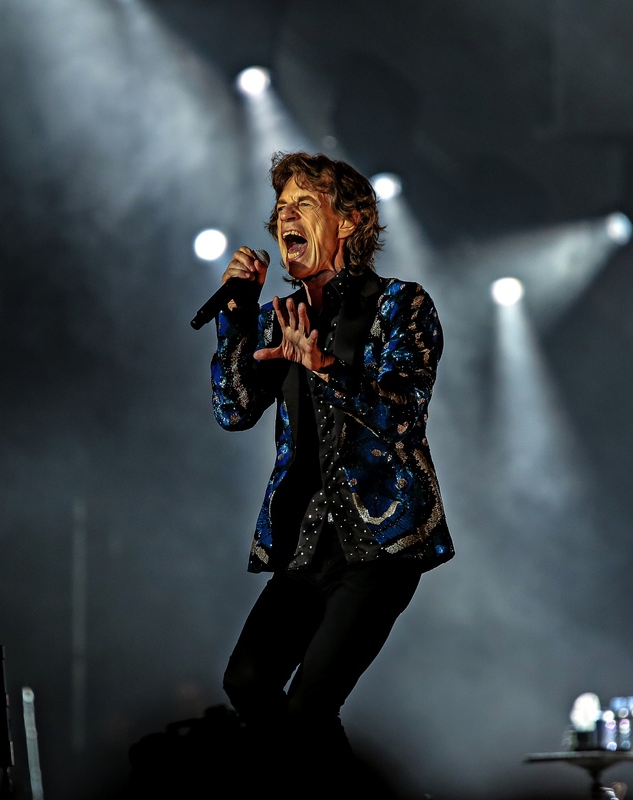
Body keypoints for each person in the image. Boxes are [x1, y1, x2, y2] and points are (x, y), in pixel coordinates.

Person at [209, 151, 454, 795]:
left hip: (379, 546)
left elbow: (402, 414)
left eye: (303, 205)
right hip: (304, 544)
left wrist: (326, 369)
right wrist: (236, 316)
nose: (285, 218)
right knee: (248, 682)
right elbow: (233, 409)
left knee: (307, 709)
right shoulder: (280, 317)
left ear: (348, 222)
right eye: (280, 209)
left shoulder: (401, 305)